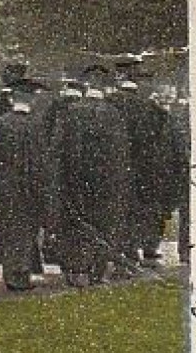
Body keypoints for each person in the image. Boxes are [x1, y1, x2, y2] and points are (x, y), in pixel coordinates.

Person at [44, 64, 133, 287]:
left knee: (77, 222)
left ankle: (78, 268)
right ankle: (97, 269)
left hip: (75, 179)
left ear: (86, 85)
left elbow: (57, 152)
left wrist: (59, 179)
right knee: (102, 222)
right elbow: (121, 154)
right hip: (106, 182)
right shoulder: (114, 114)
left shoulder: (70, 112)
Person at [0, 76, 48, 291]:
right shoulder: (36, 125)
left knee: (10, 228)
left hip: (4, 187)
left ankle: (14, 271)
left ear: (12, 99)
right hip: (29, 187)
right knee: (25, 230)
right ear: (30, 100)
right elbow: (41, 161)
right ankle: (17, 275)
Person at [109, 57, 173, 267]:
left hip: (114, 165)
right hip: (141, 168)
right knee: (140, 209)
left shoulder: (109, 104)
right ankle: (138, 249)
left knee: (118, 210)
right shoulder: (146, 107)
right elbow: (153, 142)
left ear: (119, 77)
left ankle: (122, 251)